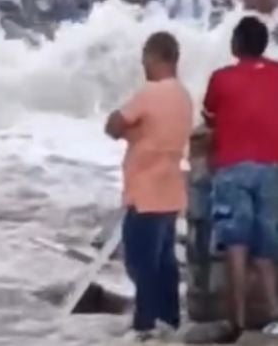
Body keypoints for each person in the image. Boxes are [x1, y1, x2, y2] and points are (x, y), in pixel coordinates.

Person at [104, 32, 193, 341]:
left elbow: (114, 125)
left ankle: (144, 324)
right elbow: (148, 132)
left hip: (145, 192)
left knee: (139, 262)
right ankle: (169, 320)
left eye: (145, 56)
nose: (142, 63)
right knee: (164, 261)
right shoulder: (183, 96)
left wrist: (120, 123)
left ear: (156, 57)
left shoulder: (150, 93)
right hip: (170, 191)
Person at [202, 17, 278, 341]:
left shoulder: (221, 78)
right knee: (265, 249)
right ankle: (274, 316)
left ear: (237, 44)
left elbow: (209, 114)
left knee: (236, 245)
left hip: (232, 169)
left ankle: (238, 321)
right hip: (272, 168)